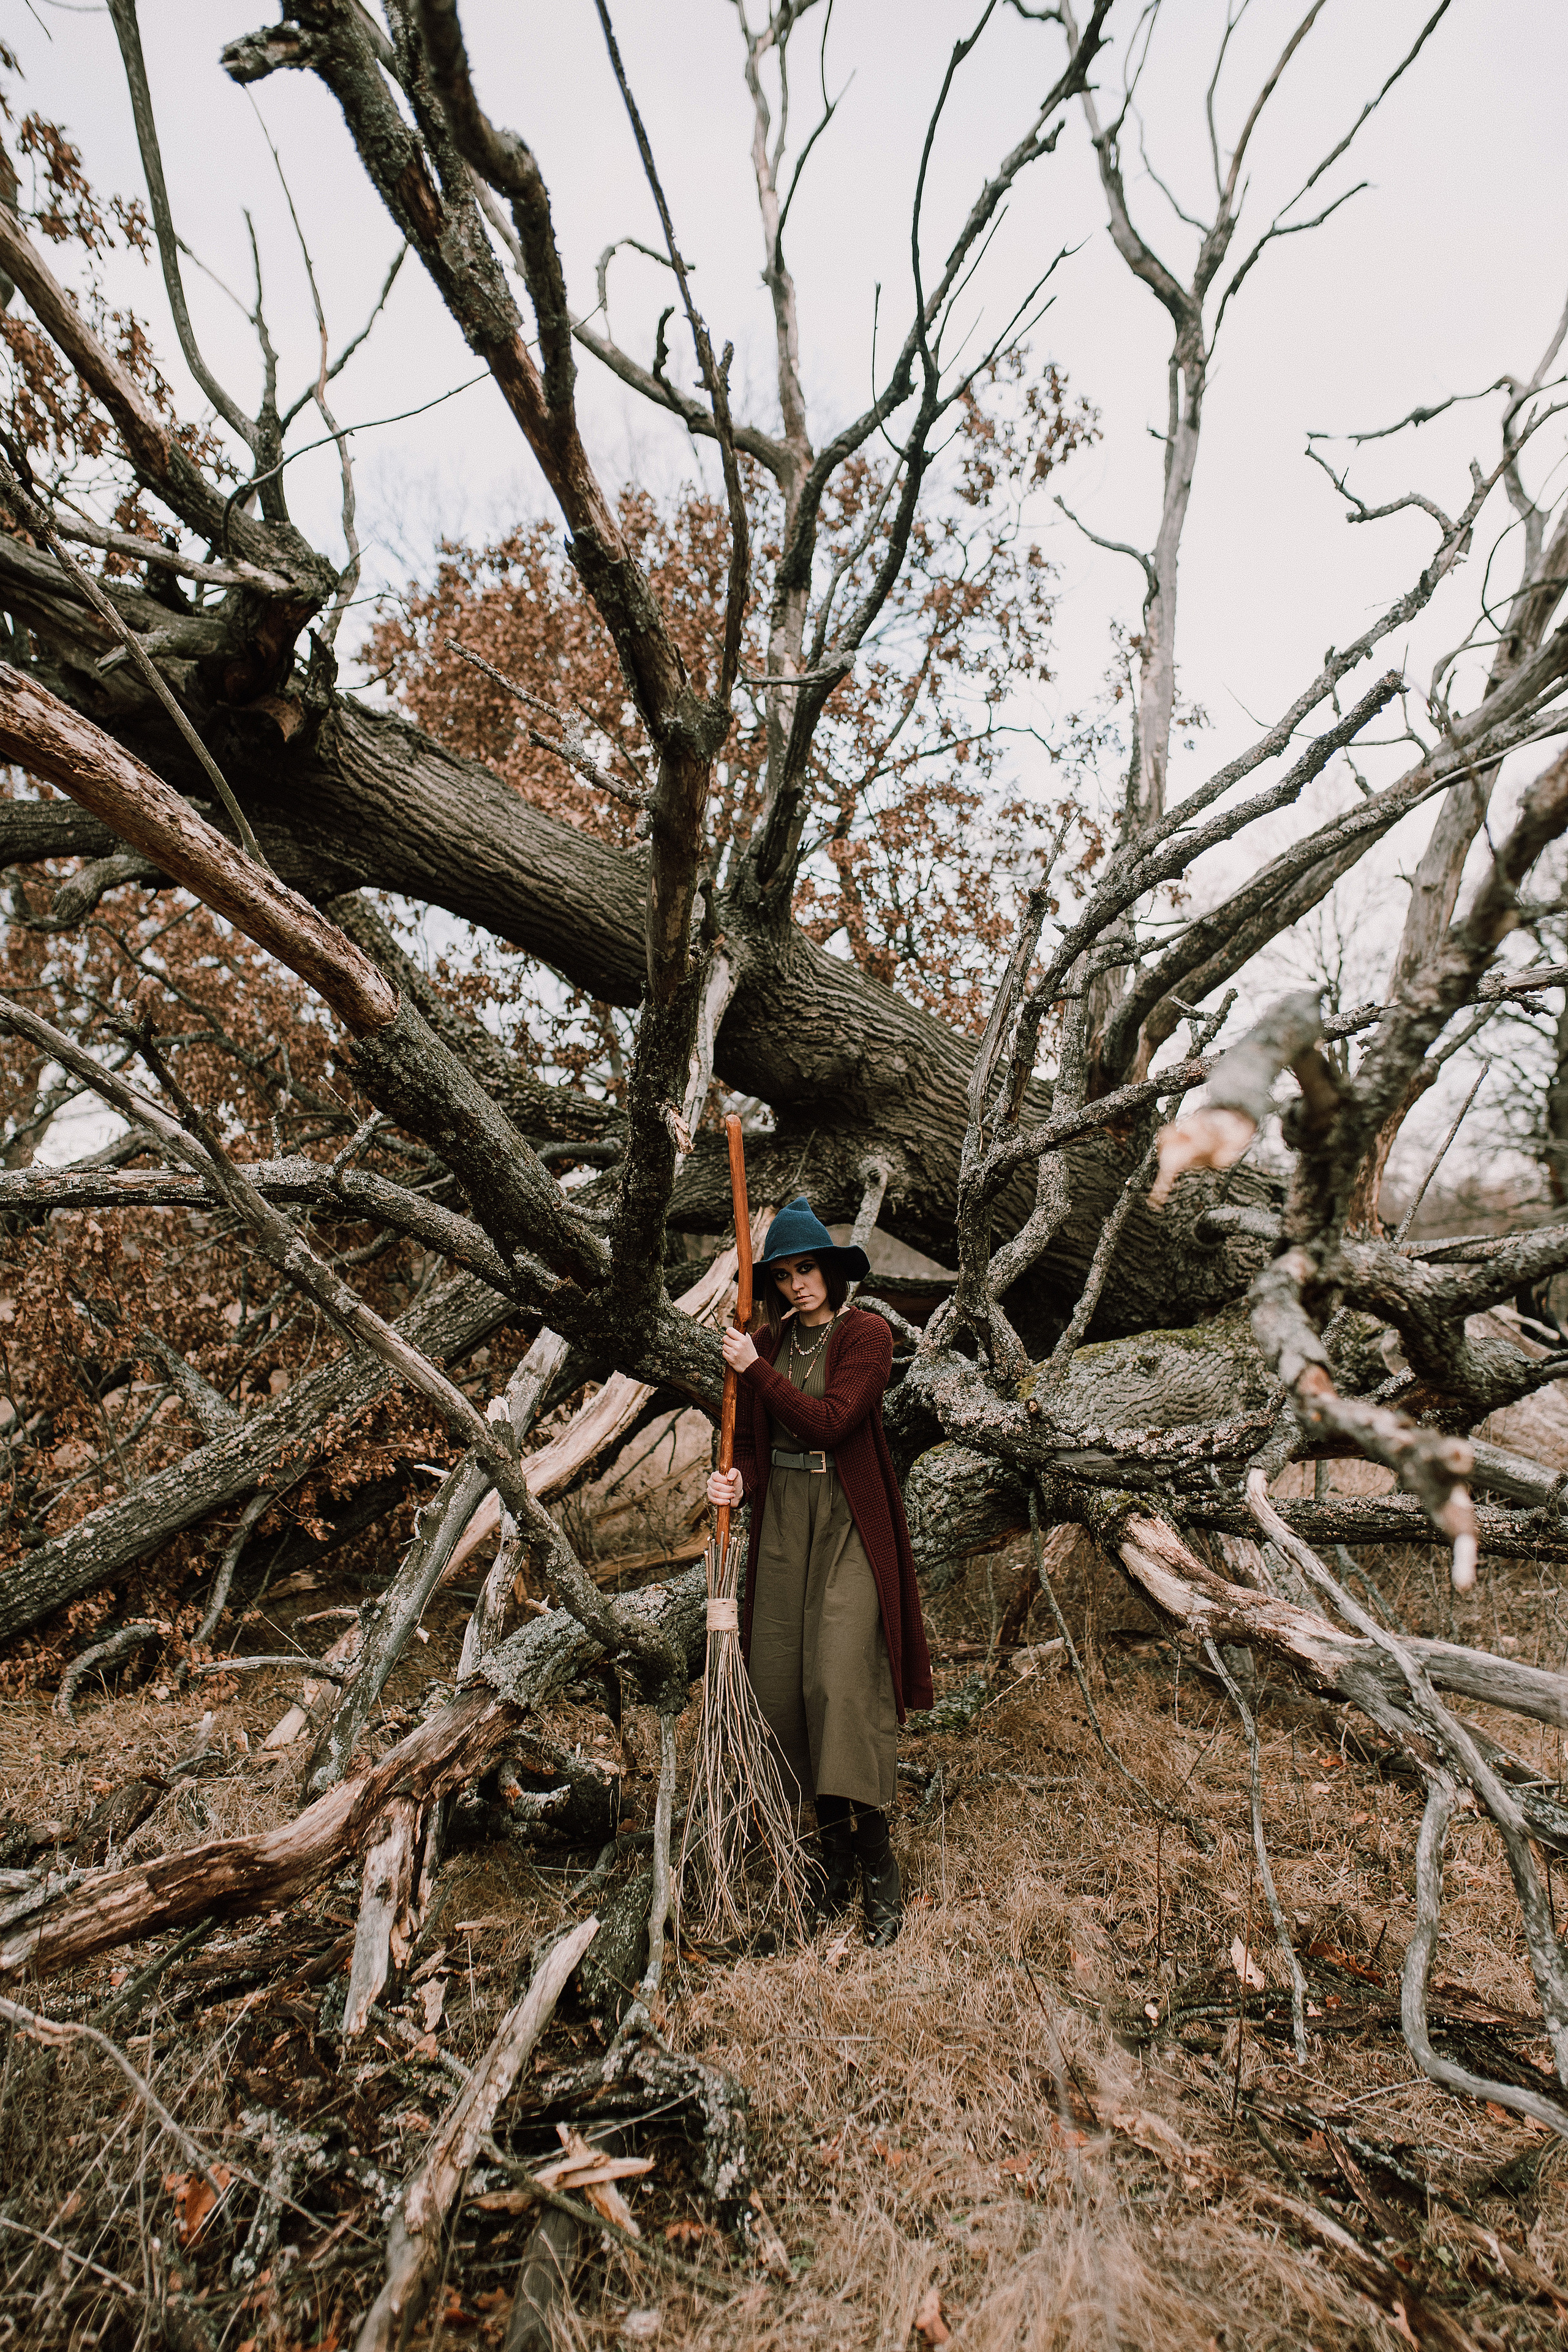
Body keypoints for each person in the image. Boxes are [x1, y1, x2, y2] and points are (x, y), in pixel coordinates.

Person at [706, 1196, 933, 1946]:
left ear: (832, 1272)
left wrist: (754, 1371)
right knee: (788, 1689)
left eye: (807, 1270)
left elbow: (832, 1423)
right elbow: (751, 1443)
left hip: (847, 1523)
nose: (797, 1285)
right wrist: (733, 1482)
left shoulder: (865, 1334)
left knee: (840, 1684)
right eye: (783, 1275)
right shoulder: (765, 1343)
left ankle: (879, 1869)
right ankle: (831, 1866)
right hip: (782, 1525)